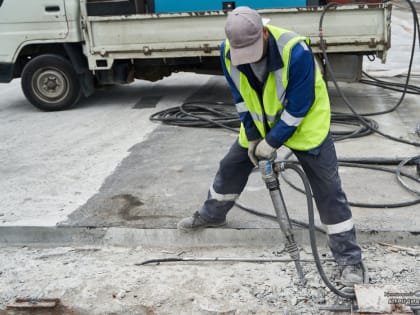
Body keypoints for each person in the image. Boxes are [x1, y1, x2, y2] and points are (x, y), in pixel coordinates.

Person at [177, 6, 363, 286]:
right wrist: (253, 137)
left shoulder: (295, 51)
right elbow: (240, 98)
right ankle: (212, 215)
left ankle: (350, 260)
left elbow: (300, 106)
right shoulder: (228, 51)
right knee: (230, 167)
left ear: (264, 32)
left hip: (306, 127)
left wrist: (272, 143)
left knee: (327, 189)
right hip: (261, 127)